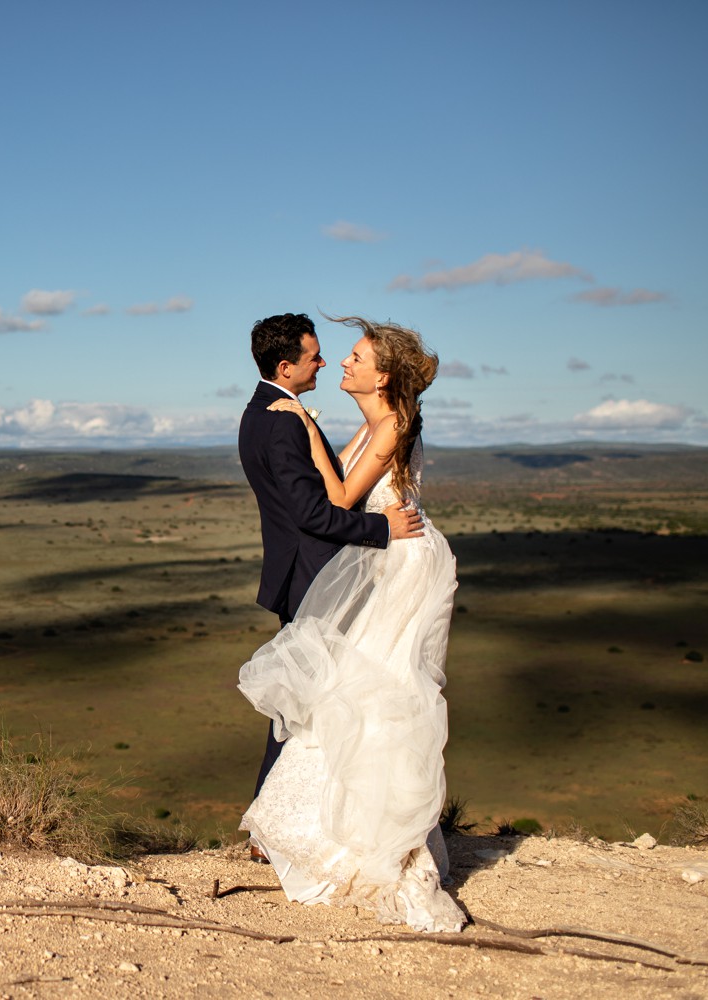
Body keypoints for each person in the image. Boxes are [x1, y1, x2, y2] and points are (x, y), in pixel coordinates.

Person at [238, 315, 464, 933]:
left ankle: (377, 834)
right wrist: (308, 426)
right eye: (329, 356)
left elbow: (337, 501)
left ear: (382, 373)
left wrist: (306, 428)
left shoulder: (390, 424)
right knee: (349, 686)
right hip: (372, 554)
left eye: (355, 356)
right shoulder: (364, 423)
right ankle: (343, 824)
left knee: (379, 686)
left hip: (396, 559)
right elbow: (334, 486)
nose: (339, 362)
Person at [237, 314, 423, 813]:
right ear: (285, 366)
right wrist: (383, 528)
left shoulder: (264, 414)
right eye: (314, 355)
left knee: (311, 696)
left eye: (348, 356)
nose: (328, 360)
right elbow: (319, 511)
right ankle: (278, 815)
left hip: (312, 572)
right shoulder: (282, 420)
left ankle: (289, 813)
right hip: (313, 574)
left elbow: (331, 485)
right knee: (307, 699)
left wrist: (308, 427)